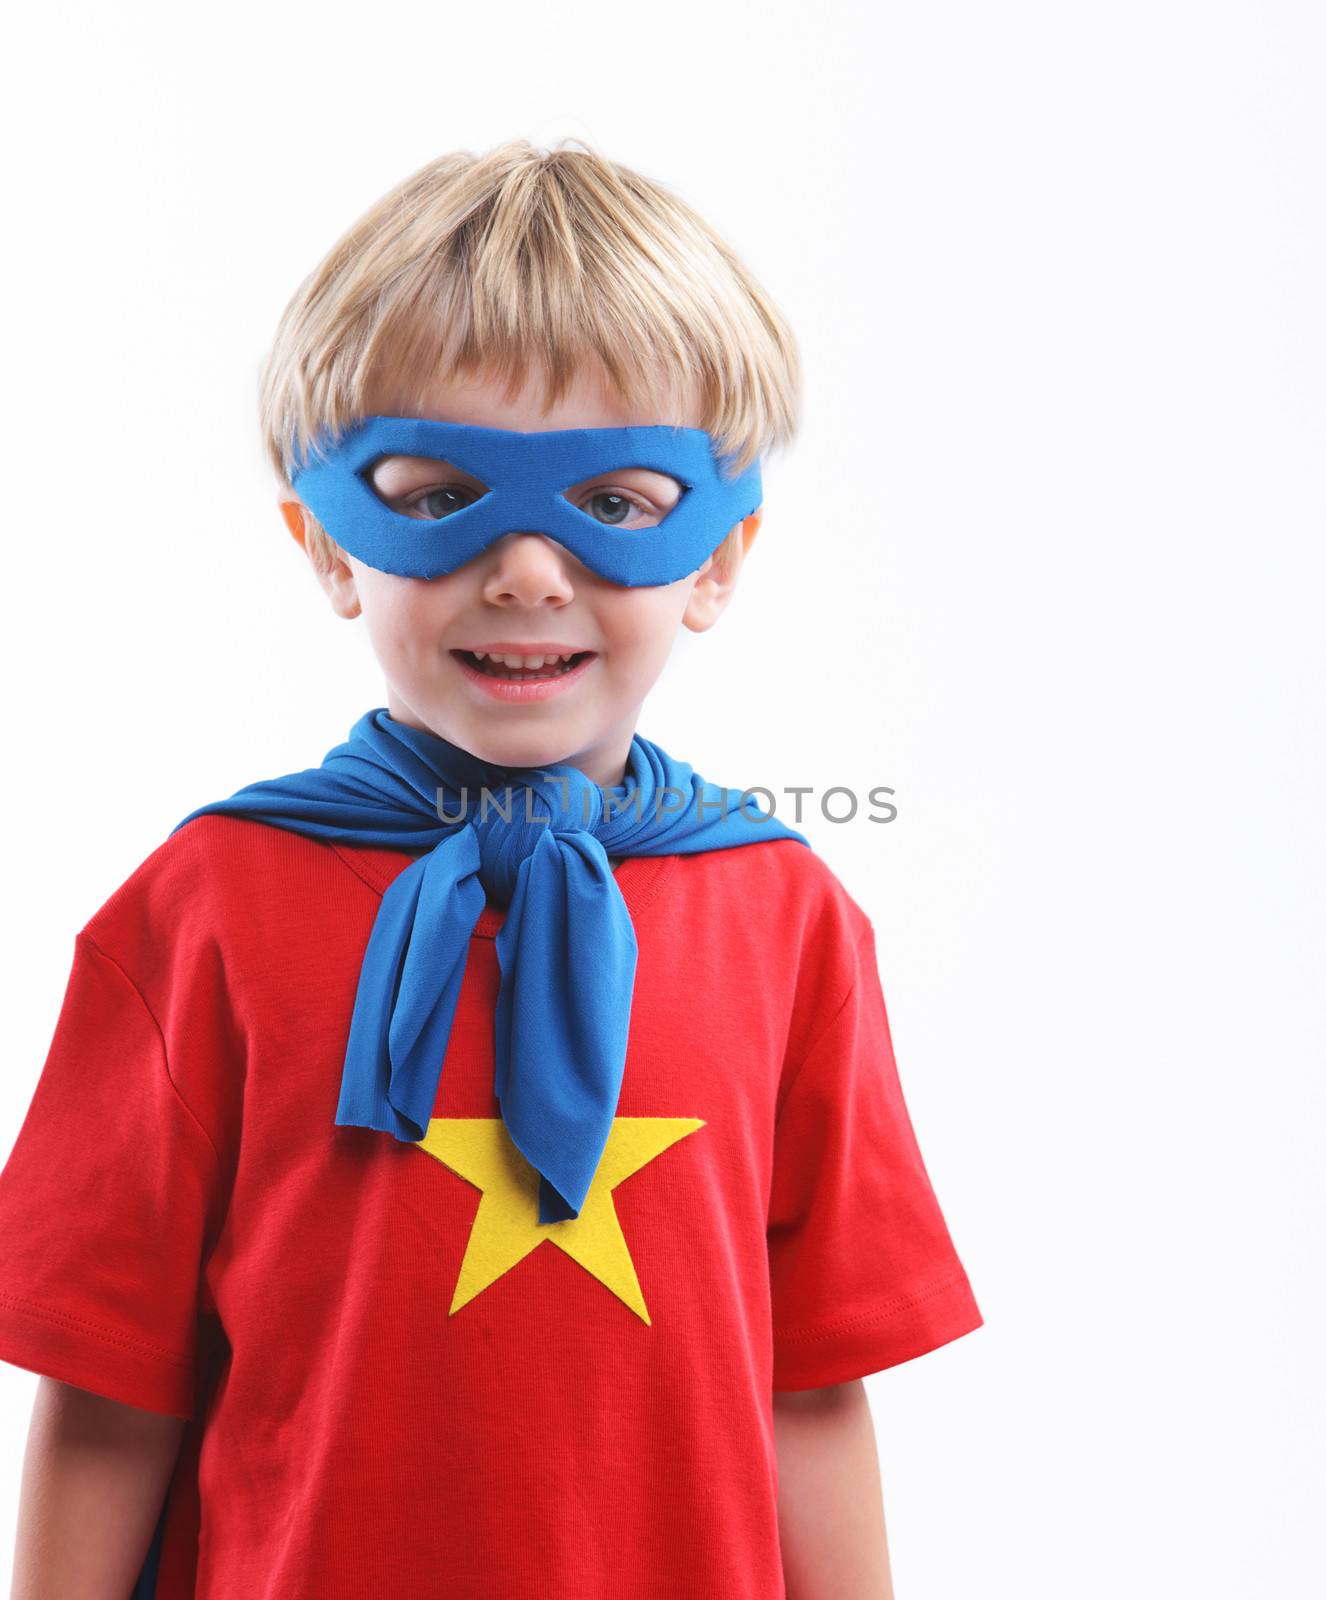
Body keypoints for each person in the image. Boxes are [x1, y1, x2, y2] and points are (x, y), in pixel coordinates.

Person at [0, 137, 982, 1600]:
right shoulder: (200, 909)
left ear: (717, 561)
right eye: (438, 491)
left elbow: (814, 1390)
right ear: (330, 548)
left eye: (616, 504)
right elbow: (107, 1400)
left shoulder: (785, 918)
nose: (526, 568)